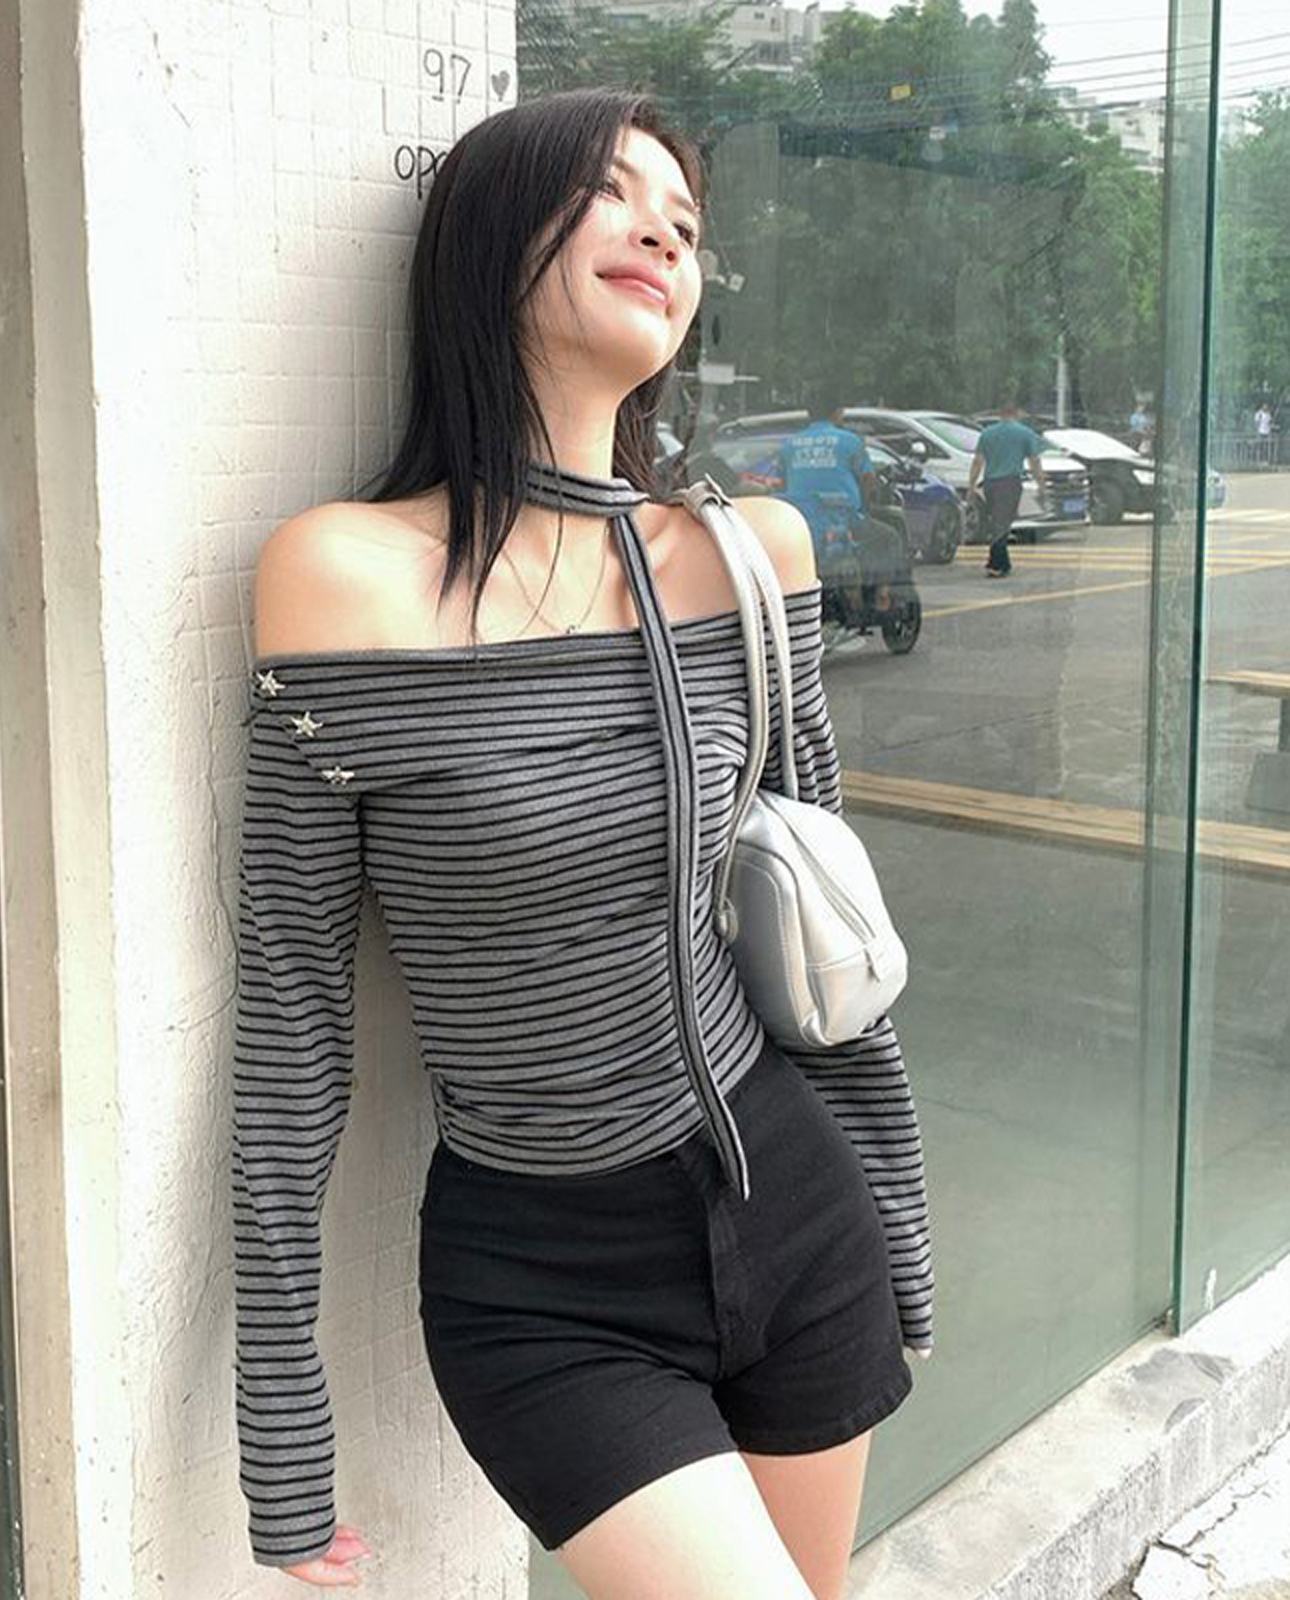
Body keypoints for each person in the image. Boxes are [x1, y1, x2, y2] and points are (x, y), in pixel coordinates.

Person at [233, 88, 934, 1599]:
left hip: (796, 1214)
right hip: (546, 1281)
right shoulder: (339, 577)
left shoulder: (747, 558)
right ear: (492, 239)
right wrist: (280, 1413)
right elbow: (290, 1012)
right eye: (613, 194)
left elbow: (826, 929)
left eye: (683, 220)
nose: (661, 234)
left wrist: (897, 1219)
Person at [777, 401, 899, 614]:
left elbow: (781, 483)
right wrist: (866, 502)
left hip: (801, 524)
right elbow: (868, 479)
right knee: (889, 537)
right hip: (842, 520)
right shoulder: (850, 441)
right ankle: (882, 595)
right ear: (838, 413)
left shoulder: (789, 444)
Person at [969, 402, 1048, 577]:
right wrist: (1041, 484)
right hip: (1010, 482)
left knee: (997, 521)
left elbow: (978, 461)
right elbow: (1034, 461)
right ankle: (997, 564)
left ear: (1000, 414)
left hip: (990, 483)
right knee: (1003, 523)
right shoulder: (1024, 433)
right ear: (1016, 413)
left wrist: (971, 485)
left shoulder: (987, 433)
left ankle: (999, 562)